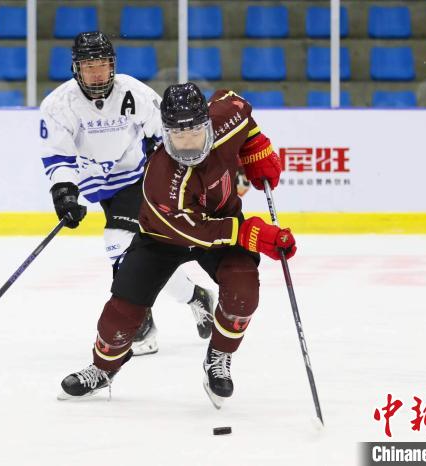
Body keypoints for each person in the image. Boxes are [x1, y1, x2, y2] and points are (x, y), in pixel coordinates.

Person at [57, 83, 297, 408]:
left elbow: (238, 105)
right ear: (165, 132)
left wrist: (257, 147)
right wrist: (254, 234)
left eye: (195, 132)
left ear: (208, 123)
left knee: (243, 291)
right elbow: (198, 232)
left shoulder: (226, 117)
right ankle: (103, 369)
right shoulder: (161, 177)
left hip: (221, 226)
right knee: (119, 319)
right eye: (177, 135)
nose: (186, 143)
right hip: (162, 238)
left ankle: (219, 356)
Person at [39, 32, 216, 355]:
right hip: (94, 184)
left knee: (118, 241)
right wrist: (64, 194)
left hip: (136, 178)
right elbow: (58, 157)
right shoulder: (58, 105)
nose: (97, 73)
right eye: (89, 66)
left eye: (102, 65)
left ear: (113, 66)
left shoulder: (133, 91)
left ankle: (140, 324)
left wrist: (170, 175)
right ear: (76, 68)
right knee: (145, 255)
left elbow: (163, 134)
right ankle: (197, 296)